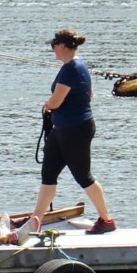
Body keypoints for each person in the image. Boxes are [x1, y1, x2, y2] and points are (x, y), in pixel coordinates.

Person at [35, 28, 116, 235]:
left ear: (62, 47)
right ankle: (35, 220)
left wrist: (47, 105)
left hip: (75, 129)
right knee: (48, 174)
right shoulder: (78, 66)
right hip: (62, 129)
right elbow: (89, 94)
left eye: (54, 46)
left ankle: (106, 220)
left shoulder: (71, 68)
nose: (53, 50)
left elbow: (56, 100)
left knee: (83, 176)